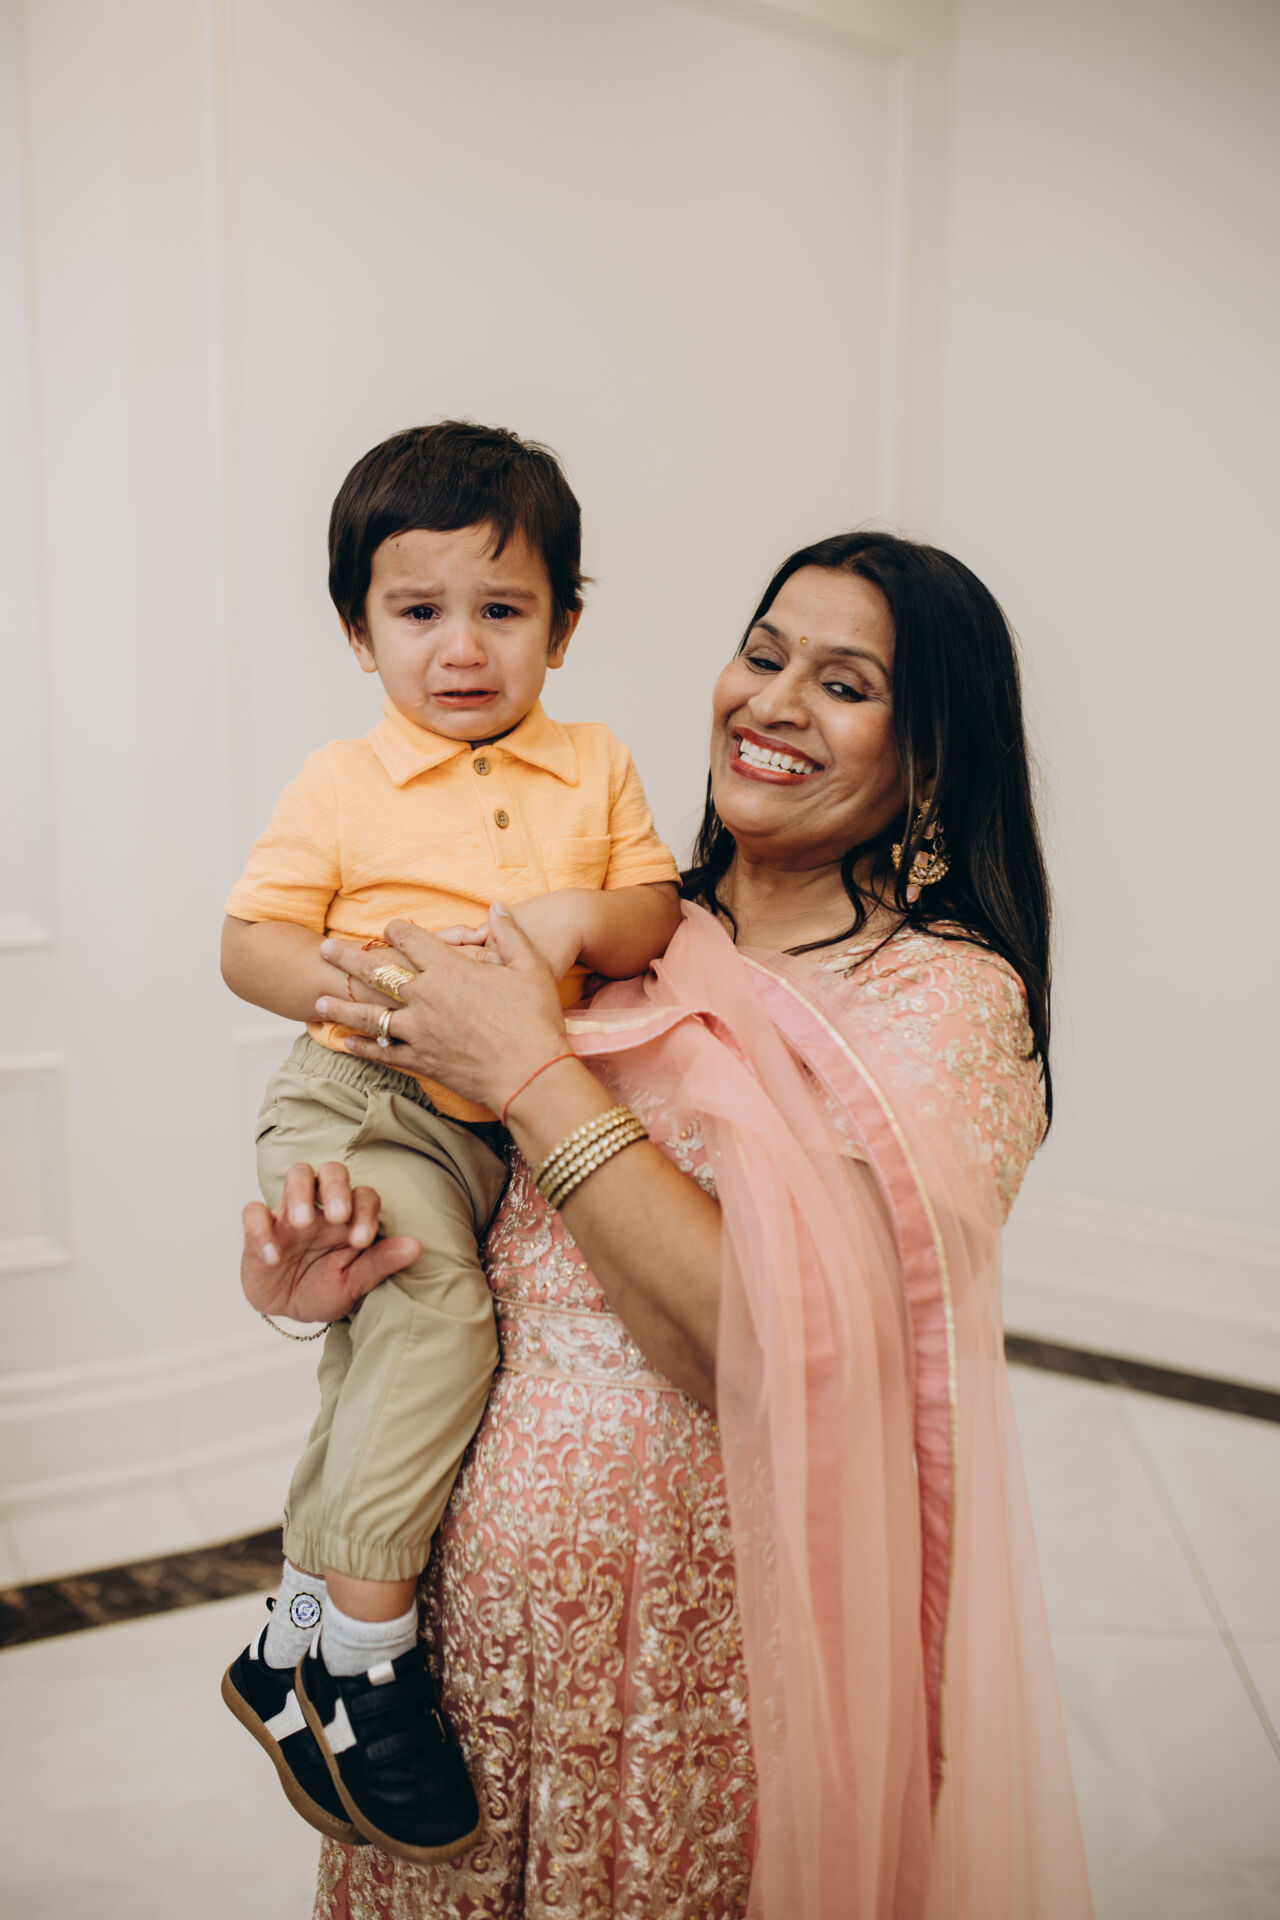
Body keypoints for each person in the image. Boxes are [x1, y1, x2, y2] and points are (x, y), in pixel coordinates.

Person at [240, 531, 1096, 1918]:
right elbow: (473, 1237)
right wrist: (322, 1275)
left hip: (694, 1670)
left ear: (933, 758)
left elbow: (770, 1352)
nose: (774, 703)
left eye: (845, 685)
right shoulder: (615, 941)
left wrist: (530, 1069)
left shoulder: (939, 1003)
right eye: (763, 656)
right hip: (446, 1653)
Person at [219, 422, 681, 1864]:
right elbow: (249, 943)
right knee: (434, 1321)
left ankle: (281, 1643)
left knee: (377, 1361)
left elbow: (652, 914)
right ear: (360, 633)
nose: (463, 648)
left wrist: (572, 919)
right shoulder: (340, 782)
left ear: (565, 625)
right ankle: (368, 1661)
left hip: (495, 1127)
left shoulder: (595, 764)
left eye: (504, 609)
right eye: (419, 611)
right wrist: (378, 992)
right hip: (364, 1096)